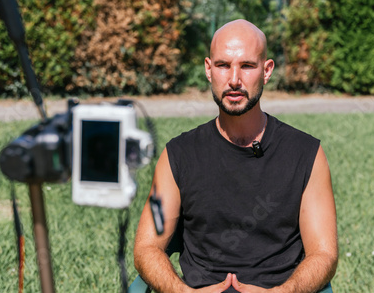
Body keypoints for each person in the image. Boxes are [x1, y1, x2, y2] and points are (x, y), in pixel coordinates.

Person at [134, 19, 338, 293]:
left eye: (247, 66)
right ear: (208, 69)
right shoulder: (178, 155)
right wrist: (182, 292)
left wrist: (283, 292)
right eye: (222, 65)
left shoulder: (306, 154)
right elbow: (147, 247)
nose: (233, 80)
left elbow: (324, 254)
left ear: (266, 71)